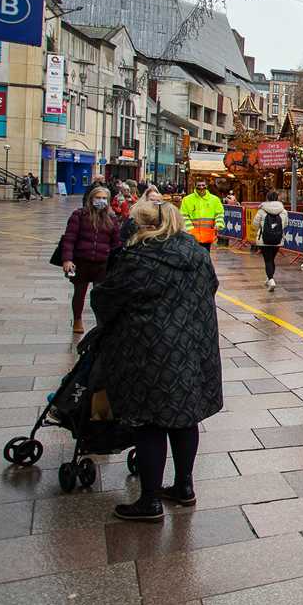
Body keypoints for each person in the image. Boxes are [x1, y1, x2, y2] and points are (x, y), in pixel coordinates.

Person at [89, 198, 223, 522]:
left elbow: (107, 299)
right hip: (193, 347)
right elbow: (212, 288)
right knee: (184, 418)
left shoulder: (140, 259)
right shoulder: (196, 254)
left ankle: (149, 501)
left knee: (149, 423)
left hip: (150, 350)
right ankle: (184, 486)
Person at [59, 186, 123, 333]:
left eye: (104, 198)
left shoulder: (111, 218)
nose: (101, 201)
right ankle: (77, 319)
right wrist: (67, 259)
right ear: (91, 199)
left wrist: (117, 262)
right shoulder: (79, 215)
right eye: (98, 198)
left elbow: (116, 243)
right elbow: (69, 239)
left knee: (101, 294)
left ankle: (101, 322)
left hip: (102, 262)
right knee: (79, 293)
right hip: (82, 261)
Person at [252, 190, 289, 291]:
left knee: (267, 260)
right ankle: (269, 278)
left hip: (264, 239)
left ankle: (271, 280)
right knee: (272, 259)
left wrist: (261, 227)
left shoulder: (262, 210)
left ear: (267, 198)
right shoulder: (283, 211)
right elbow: (285, 224)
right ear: (277, 198)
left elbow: (255, 224)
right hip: (277, 239)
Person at [179, 180, 224, 254]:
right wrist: (190, 229)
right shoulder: (187, 200)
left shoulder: (215, 200)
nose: (201, 187)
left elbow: (219, 214)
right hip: (192, 235)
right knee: (193, 256)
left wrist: (218, 224)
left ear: (206, 186)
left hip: (207, 235)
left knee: (206, 255)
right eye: (199, 185)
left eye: (203, 185)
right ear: (195, 186)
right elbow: (183, 215)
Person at [116, 184, 163, 252]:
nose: (154, 202)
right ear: (146, 200)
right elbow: (123, 236)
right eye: (151, 200)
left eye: (157, 201)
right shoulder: (135, 215)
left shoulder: (164, 216)